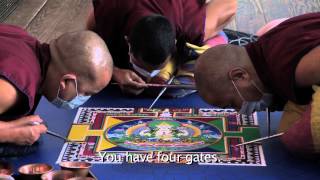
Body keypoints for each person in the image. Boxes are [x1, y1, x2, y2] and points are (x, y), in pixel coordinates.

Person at [195, 13, 320, 156]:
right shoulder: (266, 50)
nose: (238, 111)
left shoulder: (289, 65)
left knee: (298, 138)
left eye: (231, 103)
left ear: (240, 76)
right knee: (287, 128)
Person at [87, 0, 237, 96]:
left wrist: (205, 36)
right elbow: (89, 36)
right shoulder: (111, 11)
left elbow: (229, 4)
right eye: (143, 68)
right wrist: (115, 71)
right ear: (128, 43)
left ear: (175, 42)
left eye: (157, 69)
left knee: (206, 40)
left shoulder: (187, 25)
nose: (149, 76)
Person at [0, 24, 113, 147]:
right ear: (65, 82)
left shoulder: (19, 35)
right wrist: (9, 133)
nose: (85, 99)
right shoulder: (12, 88)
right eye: (86, 93)